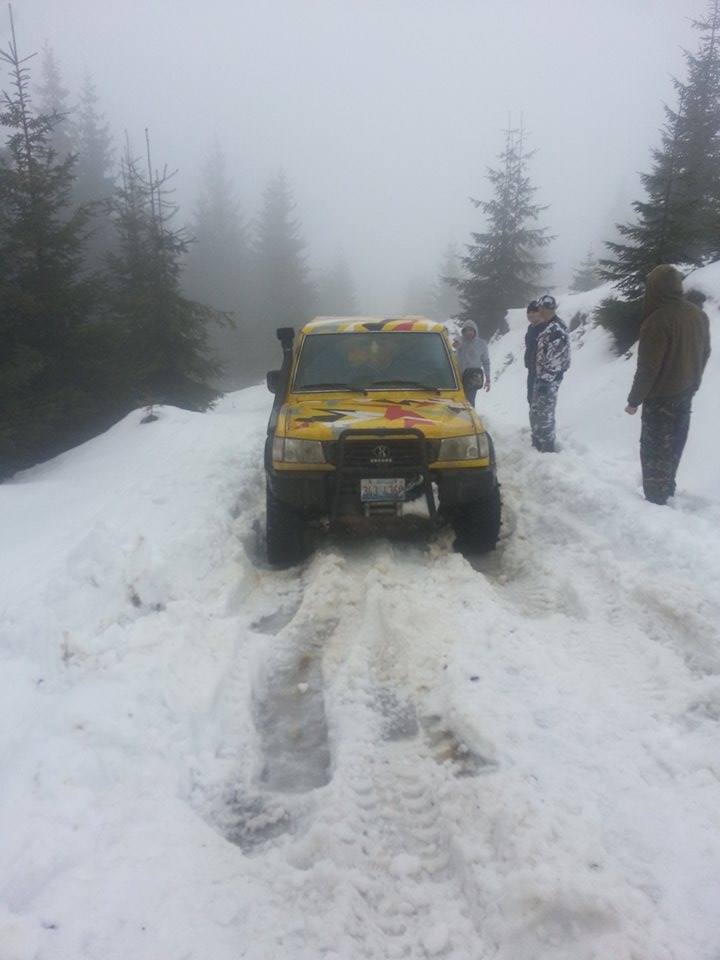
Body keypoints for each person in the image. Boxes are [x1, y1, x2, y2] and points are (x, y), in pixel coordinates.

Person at [625, 264, 711, 505]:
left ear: (655, 288)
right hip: (685, 395)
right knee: (674, 446)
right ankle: (668, 493)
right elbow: (705, 353)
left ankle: (655, 506)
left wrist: (634, 400)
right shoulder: (698, 315)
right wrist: (694, 382)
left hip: (660, 398)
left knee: (654, 454)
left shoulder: (657, 320)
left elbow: (648, 368)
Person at [528, 294, 570, 452]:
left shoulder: (555, 329)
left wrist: (544, 381)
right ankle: (538, 443)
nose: (539, 311)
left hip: (548, 380)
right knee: (537, 412)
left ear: (546, 309)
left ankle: (547, 448)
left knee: (545, 415)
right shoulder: (548, 326)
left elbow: (556, 360)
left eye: (541, 309)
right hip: (541, 378)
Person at [454, 321, 491, 406]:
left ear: (475, 330)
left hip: (473, 378)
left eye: (471, 330)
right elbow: (453, 346)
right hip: (458, 378)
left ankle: (470, 419)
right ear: (463, 331)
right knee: (457, 403)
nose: (468, 332)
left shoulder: (481, 344)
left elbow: (486, 362)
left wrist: (488, 379)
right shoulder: (460, 341)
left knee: (470, 403)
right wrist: (456, 344)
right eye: (466, 330)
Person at [524, 300, 542, 404]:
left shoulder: (545, 329)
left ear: (540, 313)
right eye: (529, 312)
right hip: (531, 370)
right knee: (531, 399)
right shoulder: (530, 328)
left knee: (539, 403)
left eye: (534, 312)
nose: (531, 314)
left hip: (542, 373)